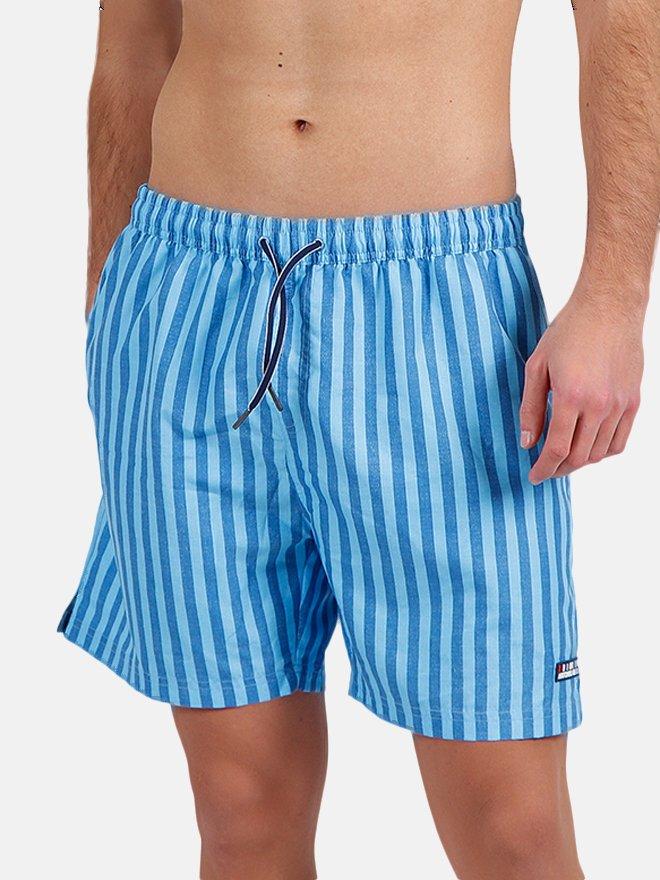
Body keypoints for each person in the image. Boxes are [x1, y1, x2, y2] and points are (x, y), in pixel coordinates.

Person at [58, 2, 657, 878]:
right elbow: (135, 38)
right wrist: (108, 297)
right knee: (239, 805)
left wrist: (614, 296)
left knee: (512, 827)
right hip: (184, 289)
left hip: (435, 305)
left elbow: (624, 17)